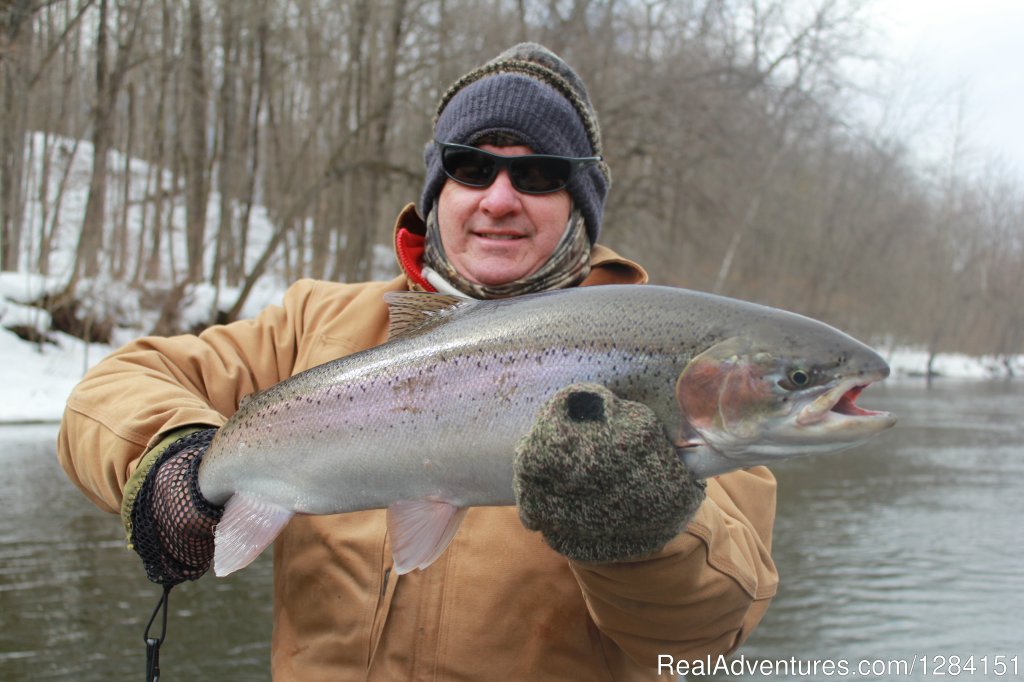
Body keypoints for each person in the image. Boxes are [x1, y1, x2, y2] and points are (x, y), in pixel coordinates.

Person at [58, 43, 778, 680]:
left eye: (539, 175)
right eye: (473, 167)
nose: (500, 198)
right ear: (440, 189)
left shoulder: (679, 362)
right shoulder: (318, 322)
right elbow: (110, 390)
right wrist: (171, 463)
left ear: (579, 204)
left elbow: (706, 636)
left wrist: (642, 532)